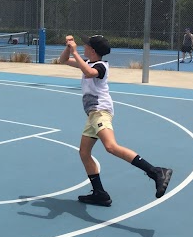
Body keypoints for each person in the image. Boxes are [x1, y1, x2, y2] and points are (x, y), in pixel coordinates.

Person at [58, 34, 173, 206]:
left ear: (93, 50)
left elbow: (90, 73)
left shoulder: (100, 66)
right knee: (84, 152)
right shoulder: (88, 63)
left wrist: (74, 52)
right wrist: (69, 48)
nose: (84, 47)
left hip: (100, 112)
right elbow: (63, 61)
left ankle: (156, 171)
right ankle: (99, 193)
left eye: (86, 45)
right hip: (92, 115)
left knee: (111, 146)